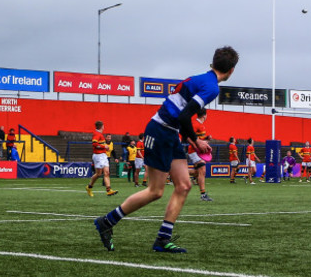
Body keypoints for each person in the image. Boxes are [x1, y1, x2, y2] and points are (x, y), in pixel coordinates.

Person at [93, 46, 238, 253]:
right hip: (161, 131)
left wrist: (190, 138)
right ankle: (106, 222)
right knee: (155, 191)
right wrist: (196, 141)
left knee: (184, 185)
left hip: (169, 133)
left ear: (213, 63)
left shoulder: (200, 78)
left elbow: (181, 115)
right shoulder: (211, 87)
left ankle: (162, 239)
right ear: (231, 70)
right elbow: (184, 116)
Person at [86, 121, 118, 197]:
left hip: (103, 155)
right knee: (98, 174)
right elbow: (94, 144)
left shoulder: (100, 134)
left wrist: (104, 148)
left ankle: (109, 190)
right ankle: (89, 187)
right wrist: (104, 147)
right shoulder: (96, 134)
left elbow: (99, 144)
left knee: (107, 172)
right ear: (102, 126)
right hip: (98, 156)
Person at [187, 109, 213, 200]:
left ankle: (176, 172)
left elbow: (198, 138)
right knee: (202, 170)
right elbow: (189, 136)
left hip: (198, 151)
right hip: (194, 151)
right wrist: (196, 146)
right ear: (205, 115)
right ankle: (203, 195)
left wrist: (206, 138)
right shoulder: (195, 124)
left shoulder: (201, 125)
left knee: (198, 172)